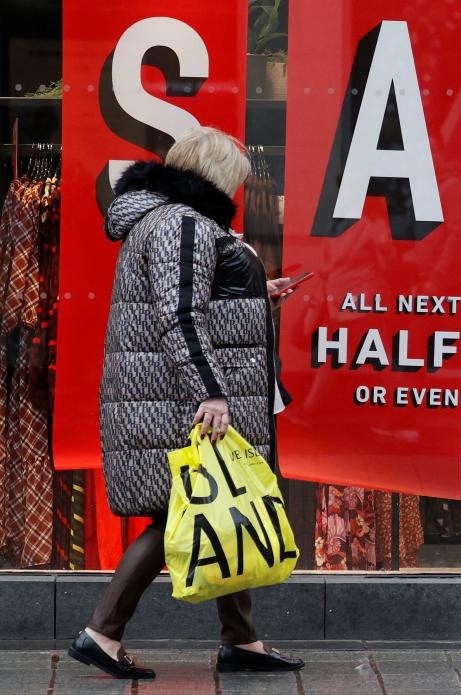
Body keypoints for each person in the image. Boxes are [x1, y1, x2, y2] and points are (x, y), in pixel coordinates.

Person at [67, 127, 303, 679]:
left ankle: (241, 640)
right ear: (218, 174)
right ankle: (102, 631)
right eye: (237, 178)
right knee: (182, 507)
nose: (242, 189)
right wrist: (211, 392)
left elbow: (186, 297)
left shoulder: (165, 219)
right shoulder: (184, 223)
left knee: (227, 500)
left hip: (162, 392)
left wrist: (253, 292)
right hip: (175, 398)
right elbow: (180, 315)